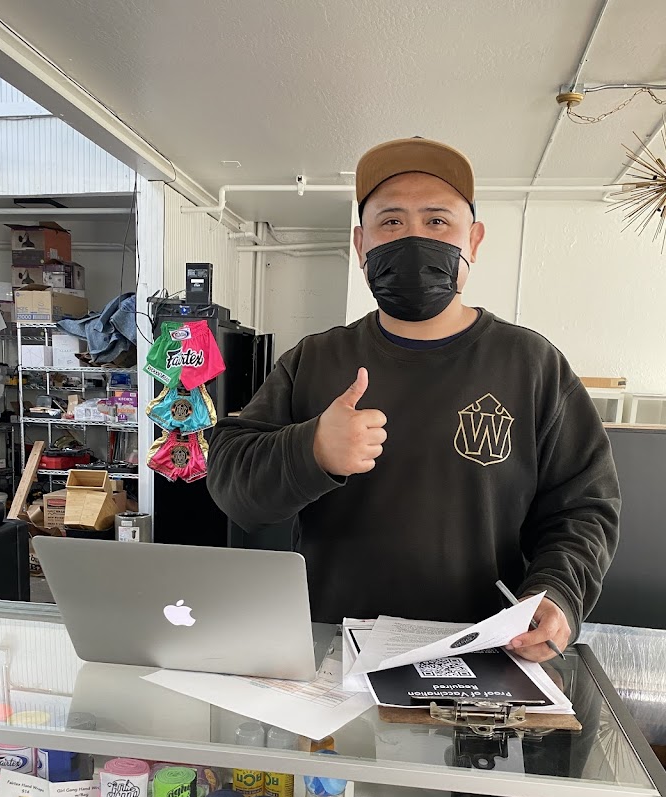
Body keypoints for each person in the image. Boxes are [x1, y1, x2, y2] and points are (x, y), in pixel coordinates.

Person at [207, 138, 620, 663]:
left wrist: (559, 591)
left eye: (437, 221)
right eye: (392, 222)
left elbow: (583, 507)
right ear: (361, 244)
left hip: (484, 654)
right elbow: (232, 486)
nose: (414, 239)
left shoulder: (532, 365)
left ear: (474, 240)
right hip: (333, 652)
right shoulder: (314, 360)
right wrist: (310, 450)